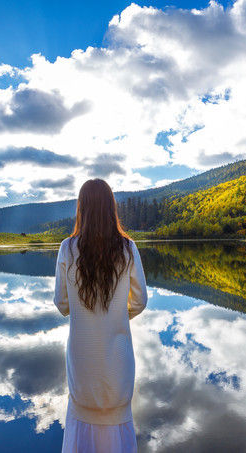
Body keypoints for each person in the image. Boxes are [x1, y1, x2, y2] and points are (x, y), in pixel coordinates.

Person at [53, 178, 147, 453]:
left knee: (81, 424)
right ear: (111, 208)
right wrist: (116, 316)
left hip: (83, 362)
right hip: (118, 360)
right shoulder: (128, 248)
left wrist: (84, 313)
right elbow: (140, 301)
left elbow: (62, 304)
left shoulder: (67, 248)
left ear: (82, 209)